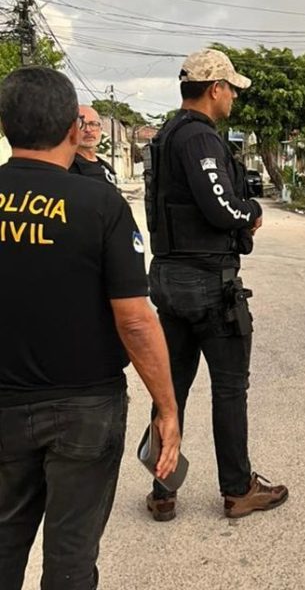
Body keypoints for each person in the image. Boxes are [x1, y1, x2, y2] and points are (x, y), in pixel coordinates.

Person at [0, 67, 180, 590]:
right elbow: (135, 319)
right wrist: (166, 408)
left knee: (5, 539)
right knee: (72, 555)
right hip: (85, 408)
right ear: (73, 130)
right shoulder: (99, 205)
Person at [144, 48, 287, 521]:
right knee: (229, 388)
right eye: (231, 89)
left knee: (172, 389)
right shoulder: (200, 138)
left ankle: (163, 490)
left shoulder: (166, 135)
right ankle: (237, 488)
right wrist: (252, 214)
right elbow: (220, 206)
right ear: (214, 89)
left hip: (169, 280)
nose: (233, 99)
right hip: (207, 283)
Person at [68, 105, 118, 186]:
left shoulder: (105, 167)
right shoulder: (68, 167)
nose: (88, 130)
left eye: (93, 124)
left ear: (101, 128)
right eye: (81, 124)